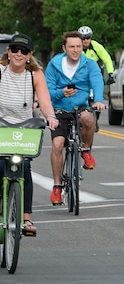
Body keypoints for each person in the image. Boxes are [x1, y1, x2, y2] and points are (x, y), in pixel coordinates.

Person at [0, 34, 59, 239]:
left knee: (24, 167)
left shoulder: (35, 74)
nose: (19, 54)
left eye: (24, 51)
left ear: (30, 55)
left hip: (23, 129)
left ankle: (26, 217)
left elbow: (45, 101)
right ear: (8, 52)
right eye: (15, 50)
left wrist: (51, 116)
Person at [45, 31, 106, 205]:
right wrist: (61, 93)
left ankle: (86, 150)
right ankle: (57, 186)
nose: (76, 50)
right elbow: (47, 90)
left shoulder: (90, 64)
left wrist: (99, 100)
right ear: (64, 48)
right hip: (59, 108)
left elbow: (97, 81)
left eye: (79, 46)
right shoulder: (54, 65)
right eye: (72, 47)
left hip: (81, 106)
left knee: (88, 119)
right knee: (57, 144)